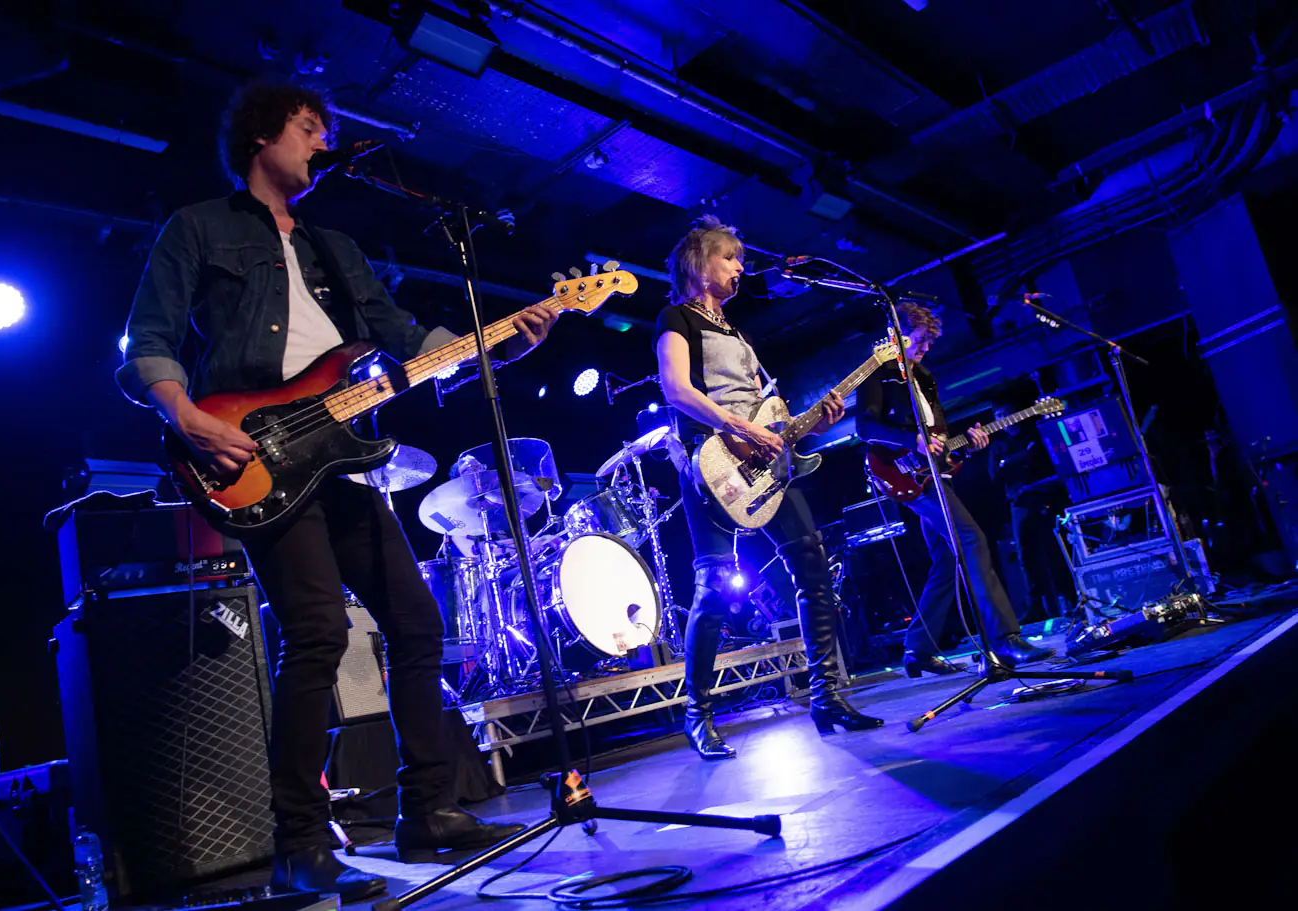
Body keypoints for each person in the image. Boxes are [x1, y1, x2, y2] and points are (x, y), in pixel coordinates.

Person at [117, 83, 558, 900]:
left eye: (328, 130)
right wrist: (189, 418)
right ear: (261, 136)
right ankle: (299, 841)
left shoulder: (337, 247)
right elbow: (148, 336)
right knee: (317, 632)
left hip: (341, 459)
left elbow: (405, 342)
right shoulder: (199, 226)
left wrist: (504, 343)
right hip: (254, 452)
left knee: (418, 624)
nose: (324, 141)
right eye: (309, 127)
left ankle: (429, 810)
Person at [653, 216, 884, 760]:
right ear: (699, 264)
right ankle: (698, 714)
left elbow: (770, 416)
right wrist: (739, 427)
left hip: (767, 463)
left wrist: (811, 422)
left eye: (739, 259)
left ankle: (826, 696)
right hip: (711, 462)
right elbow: (675, 388)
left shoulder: (740, 337)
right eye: (730, 257)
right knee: (713, 587)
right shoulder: (675, 318)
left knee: (813, 567)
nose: (739, 267)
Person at [857, 304, 1054, 678]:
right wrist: (912, 441)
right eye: (920, 340)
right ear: (896, 334)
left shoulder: (923, 377)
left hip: (933, 473)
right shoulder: (879, 373)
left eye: (930, 341)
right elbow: (865, 428)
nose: (926, 347)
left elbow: (940, 441)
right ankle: (1005, 639)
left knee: (947, 561)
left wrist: (966, 446)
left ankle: (918, 648)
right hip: (905, 474)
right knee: (971, 539)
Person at [988, 400, 1072, 622]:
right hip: (1018, 503)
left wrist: (1010, 462)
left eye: (1007, 413)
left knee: (1053, 549)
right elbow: (995, 476)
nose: (1004, 419)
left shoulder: (1033, 435)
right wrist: (1020, 458)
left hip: (1043, 498)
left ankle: (1067, 598)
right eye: (999, 416)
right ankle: (1036, 605)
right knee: (1025, 555)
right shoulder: (998, 446)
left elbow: (1045, 462)